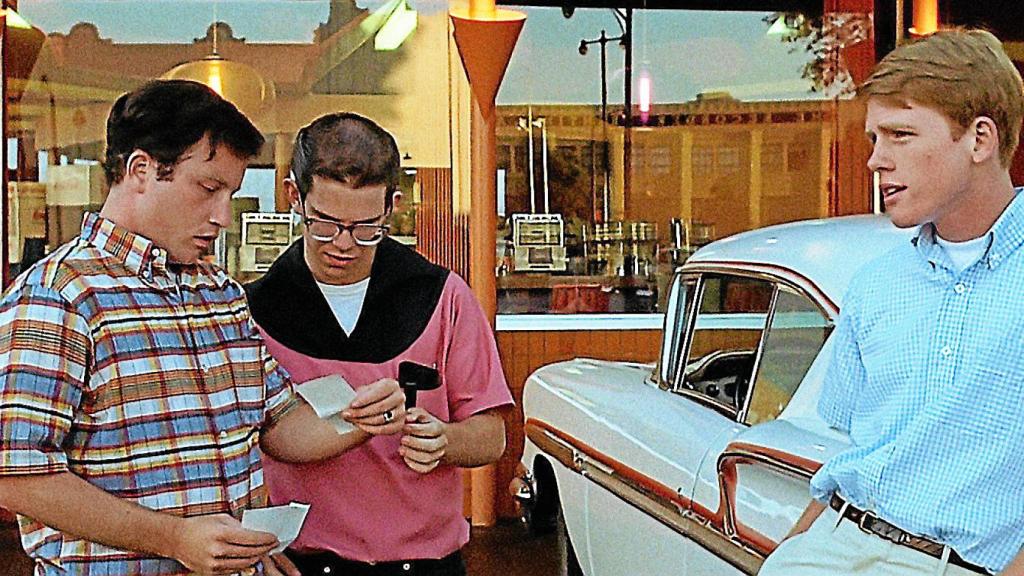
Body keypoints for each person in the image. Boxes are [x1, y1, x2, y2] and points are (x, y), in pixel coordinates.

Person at [0, 80, 406, 576]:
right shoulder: (59, 296)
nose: (222, 217)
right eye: (208, 189)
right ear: (141, 170)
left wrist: (361, 420)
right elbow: (15, 473)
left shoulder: (221, 293)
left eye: (230, 194)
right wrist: (173, 538)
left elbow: (278, 424)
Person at [758, 29, 1024, 576]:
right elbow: (857, 449)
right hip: (832, 543)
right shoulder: (876, 283)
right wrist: (792, 552)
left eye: (899, 134)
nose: (876, 161)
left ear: (980, 140)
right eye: (873, 140)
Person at [245, 112, 513, 576]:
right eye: (324, 224)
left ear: (392, 206)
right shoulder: (253, 309)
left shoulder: (442, 297)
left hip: (424, 564)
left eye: (366, 227)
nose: (343, 244)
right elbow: (234, 445)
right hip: (301, 563)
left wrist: (445, 440)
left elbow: (492, 436)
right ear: (294, 197)